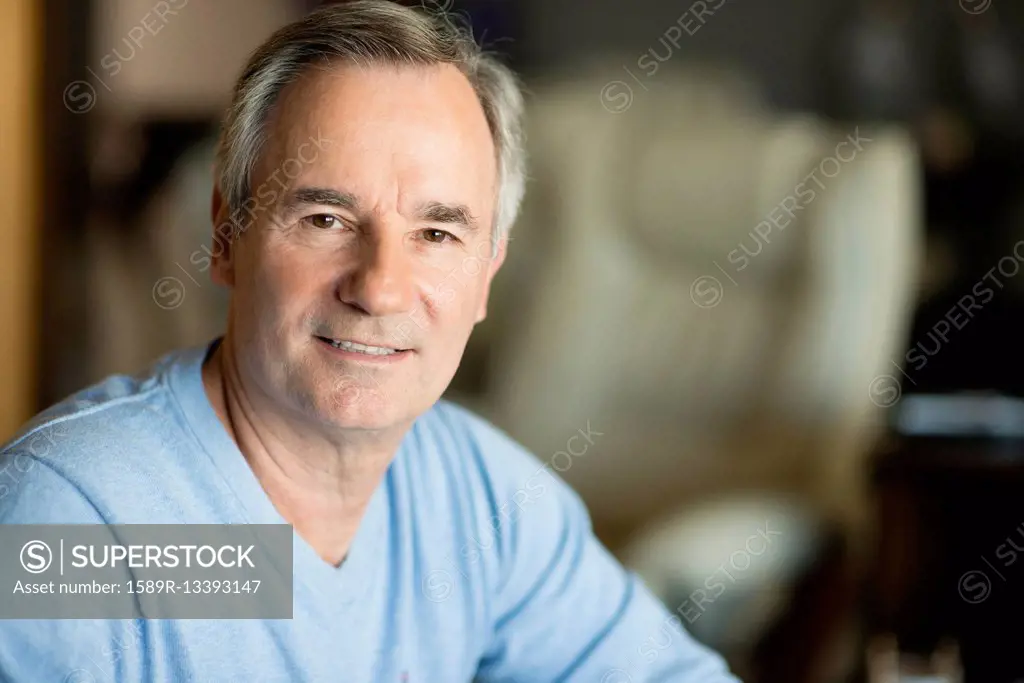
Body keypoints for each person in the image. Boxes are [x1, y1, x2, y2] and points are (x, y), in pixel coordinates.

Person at [0, 2, 739, 681]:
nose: (380, 287)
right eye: (326, 219)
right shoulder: (74, 525)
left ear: (486, 275)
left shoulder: (482, 500)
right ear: (225, 237)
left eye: (437, 233)